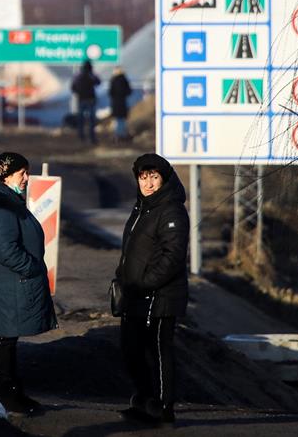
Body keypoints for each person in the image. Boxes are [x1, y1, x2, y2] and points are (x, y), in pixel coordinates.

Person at [0, 151, 58, 414]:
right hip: (9, 284)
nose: (26, 178)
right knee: (6, 338)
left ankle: (10, 392)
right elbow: (5, 249)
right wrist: (32, 268)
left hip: (11, 282)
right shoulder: (0, 206)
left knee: (7, 338)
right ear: (6, 174)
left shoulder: (7, 200)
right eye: (22, 172)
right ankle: (6, 394)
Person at [114, 153, 189, 425]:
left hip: (160, 296)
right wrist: (122, 277)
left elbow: (172, 256)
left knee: (158, 352)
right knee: (131, 350)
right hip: (136, 295)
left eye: (154, 177)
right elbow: (133, 251)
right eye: (143, 177)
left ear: (164, 179)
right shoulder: (142, 207)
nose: (148, 183)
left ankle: (162, 408)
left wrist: (145, 282)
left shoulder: (171, 210)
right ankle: (145, 400)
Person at [70, 60, 101, 144]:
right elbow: (98, 82)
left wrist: (79, 93)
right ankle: (92, 138)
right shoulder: (91, 75)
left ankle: (81, 137)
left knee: (81, 119)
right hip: (91, 99)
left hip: (82, 99)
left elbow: (73, 88)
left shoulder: (78, 75)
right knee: (91, 120)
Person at [109, 67, 133, 142]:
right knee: (122, 119)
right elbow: (129, 91)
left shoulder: (113, 80)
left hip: (115, 103)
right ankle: (122, 135)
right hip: (123, 102)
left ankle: (118, 135)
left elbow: (110, 92)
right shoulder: (124, 80)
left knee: (118, 120)